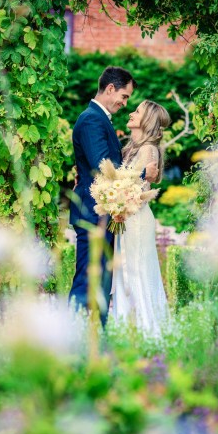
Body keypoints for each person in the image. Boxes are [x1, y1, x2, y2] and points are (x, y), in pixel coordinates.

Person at [69, 67, 159, 326]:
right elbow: (102, 167)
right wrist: (143, 173)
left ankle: (98, 337)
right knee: (88, 278)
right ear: (110, 89)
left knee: (100, 281)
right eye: (124, 95)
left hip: (103, 213)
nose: (125, 102)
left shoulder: (100, 119)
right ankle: (74, 335)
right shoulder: (91, 120)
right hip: (93, 213)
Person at [112, 99, 171, 336]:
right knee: (124, 273)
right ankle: (126, 330)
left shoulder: (148, 150)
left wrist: (119, 202)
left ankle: (148, 332)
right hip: (126, 217)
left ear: (146, 121)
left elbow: (140, 189)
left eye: (137, 112)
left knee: (135, 272)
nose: (131, 114)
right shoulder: (132, 148)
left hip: (135, 219)